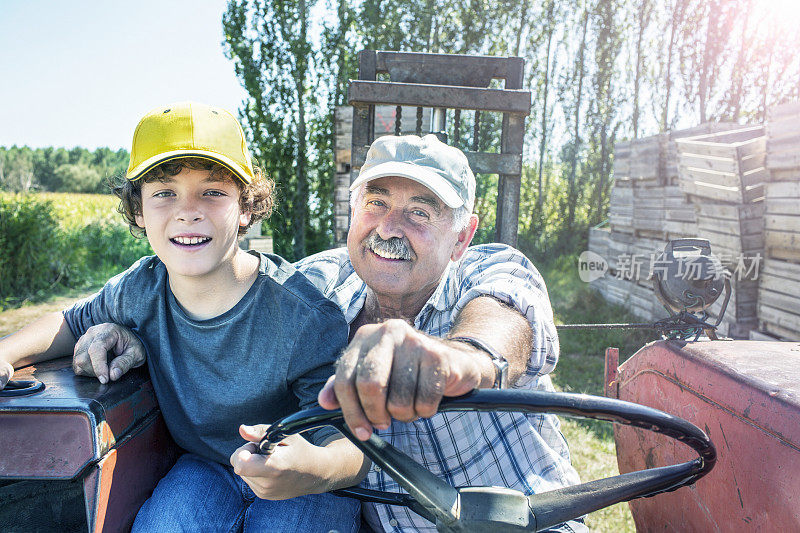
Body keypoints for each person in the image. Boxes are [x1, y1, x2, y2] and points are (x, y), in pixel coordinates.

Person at [60, 134, 585, 532]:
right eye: (376, 202)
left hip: (523, 521)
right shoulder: (313, 290)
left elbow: (502, 326)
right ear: (353, 209)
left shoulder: (491, 272)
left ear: (462, 236)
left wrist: (457, 360)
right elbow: (216, 296)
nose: (389, 227)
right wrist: (125, 332)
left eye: (420, 212)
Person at [0, 102, 366, 533]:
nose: (188, 210)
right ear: (138, 210)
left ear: (246, 207)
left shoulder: (303, 315)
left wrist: (314, 467)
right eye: (164, 193)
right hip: (205, 467)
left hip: (303, 477)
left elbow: (349, 444)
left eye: (212, 192)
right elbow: (70, 322)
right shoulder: (141, 289)